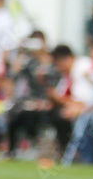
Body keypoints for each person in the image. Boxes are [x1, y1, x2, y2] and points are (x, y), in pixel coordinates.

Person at [6, 30, 58, 158]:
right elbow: (13, 75)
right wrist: (21, 53)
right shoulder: (29, 61)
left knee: (31, 116)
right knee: (13, 114)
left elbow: (54, 86)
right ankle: (11, 150)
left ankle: (37, 146)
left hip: (49, 102)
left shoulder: (52, 62)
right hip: (30, 101)